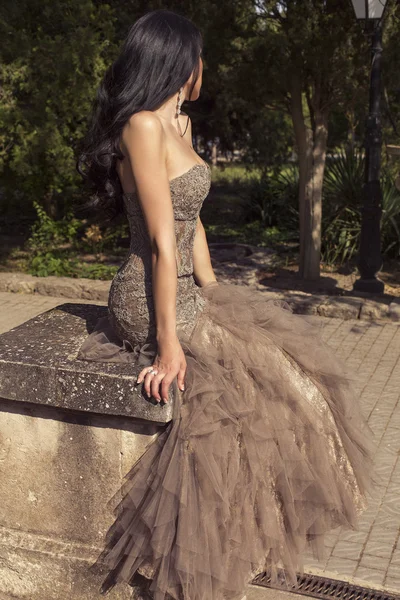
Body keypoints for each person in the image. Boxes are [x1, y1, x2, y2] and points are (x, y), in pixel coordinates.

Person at [76, 9, 378, 600]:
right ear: (178, 61)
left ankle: (253, 543)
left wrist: (218, 294)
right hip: (148, 292)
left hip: (188, 285)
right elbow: (163, 242)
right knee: (252, 394)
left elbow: (192, 225)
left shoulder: (178, 125)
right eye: (198, 56)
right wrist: (167, 345)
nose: (202, 67)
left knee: (300, 383)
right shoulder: (141, 126)